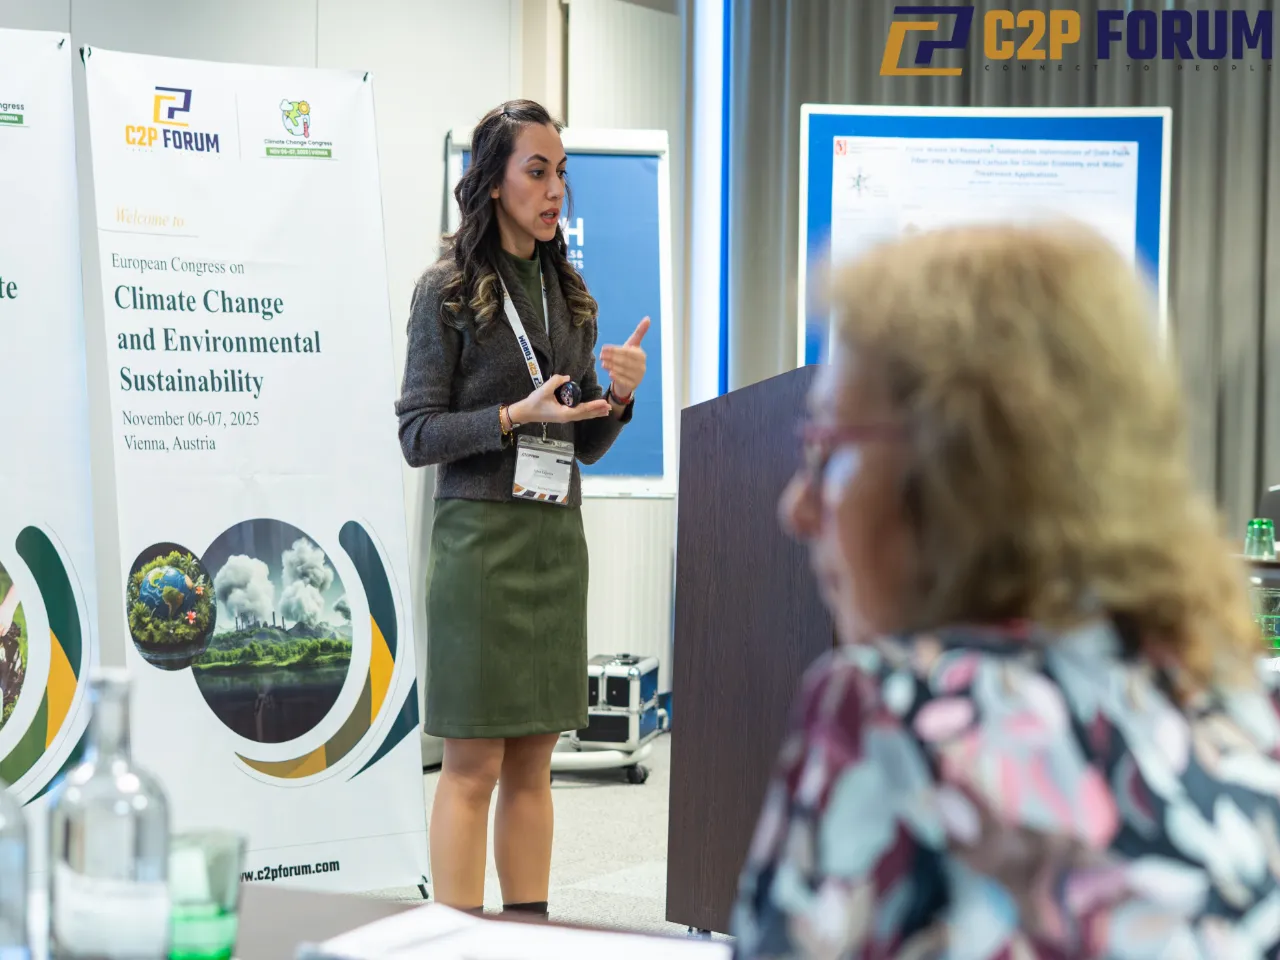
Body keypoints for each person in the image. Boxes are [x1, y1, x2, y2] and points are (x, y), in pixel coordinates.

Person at [732, 221, 1280, 957]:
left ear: (960, 470)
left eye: (824, 446)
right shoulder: (1241, 705)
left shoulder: (889, 712)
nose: (796, 509)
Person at [395, 100, 648, 919]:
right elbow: (417, 434)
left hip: (554, 544)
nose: (555, 190)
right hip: (478, 547)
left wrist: (618, 398)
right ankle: (460, 935)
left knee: (534, 766)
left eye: (561, 173)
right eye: (537, 172)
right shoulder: (445, 292)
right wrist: (511, 417)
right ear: (493, 183)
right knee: (473, 767)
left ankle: (526, 931)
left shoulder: (572, 299)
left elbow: (585, 443)